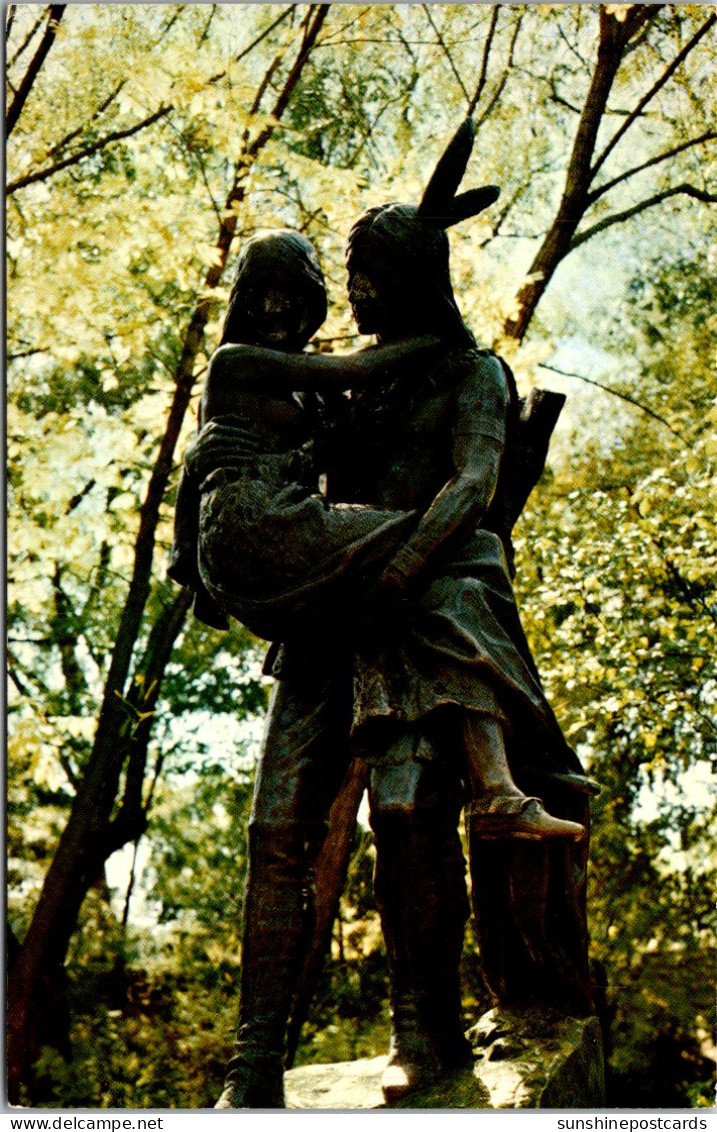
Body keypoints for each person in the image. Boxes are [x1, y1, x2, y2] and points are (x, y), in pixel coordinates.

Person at [168, 228, 444, 643]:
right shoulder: (233, 363)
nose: (274, 307)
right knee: (438, 539)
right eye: (261, 293)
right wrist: (438, 333)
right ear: (243, 303)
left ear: (313, 297)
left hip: (288, 526)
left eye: (289, 292)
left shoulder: (315, 393)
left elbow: (351, 440)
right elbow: (358, 368)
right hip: (253, 525)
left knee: (422, 546)